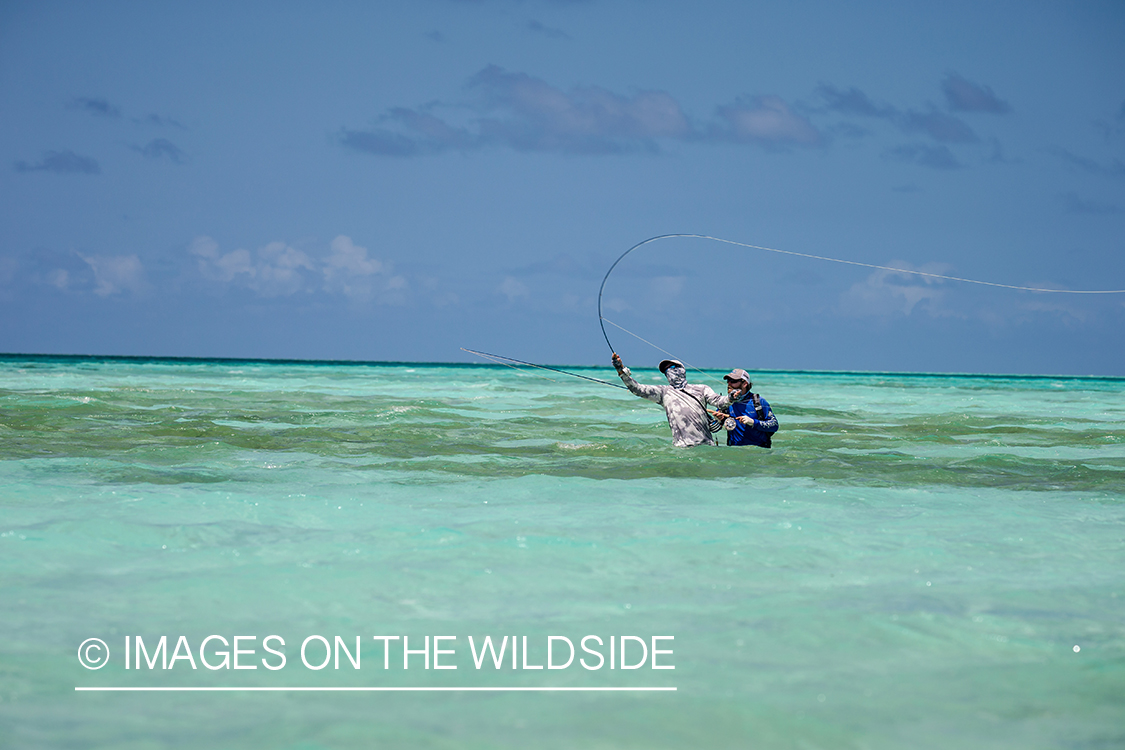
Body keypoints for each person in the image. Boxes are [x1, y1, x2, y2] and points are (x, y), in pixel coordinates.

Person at [611, 353, 726, 447]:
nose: (668, 371)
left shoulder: (701, 389)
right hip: (681, 448)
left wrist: (732, 397)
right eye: (665, 370)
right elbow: (637, 389)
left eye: (671, 367)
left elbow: (719, 401)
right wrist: (620, 370)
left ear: (682, 370)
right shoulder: (663, 392)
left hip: (706, 446)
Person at [710, 368, 778, 448]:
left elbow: (774, 425)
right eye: (728, 380)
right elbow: (714, 429)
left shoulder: (758, 401)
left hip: (758, 451)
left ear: (745, 384)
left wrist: (753, 422)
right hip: (734, 452)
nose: (729, 383)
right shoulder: (726, 402)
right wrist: (718, 420)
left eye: (733, 381)